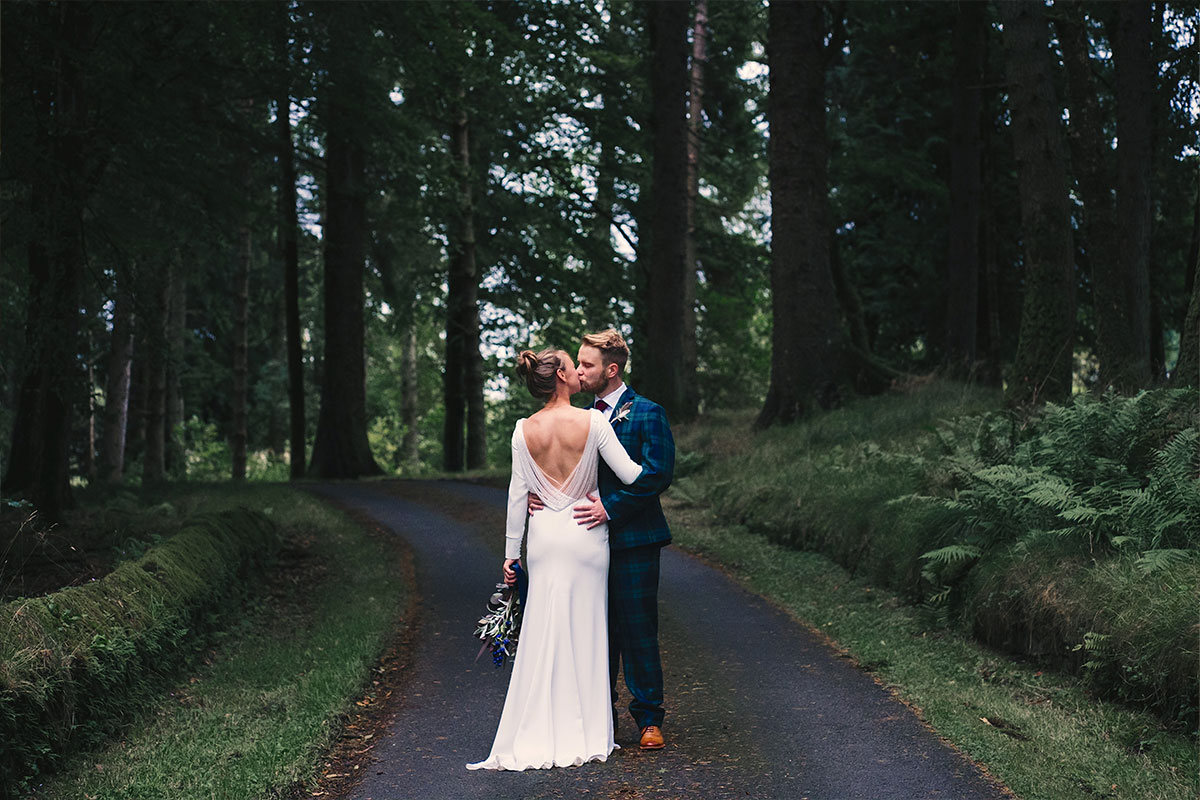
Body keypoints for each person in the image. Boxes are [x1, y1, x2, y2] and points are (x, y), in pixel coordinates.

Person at [467, 348, 643, 771]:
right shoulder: (594, 421)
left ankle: (535, 728)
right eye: (573, 363)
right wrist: (607, 498)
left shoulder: (523, 429)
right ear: (562, 375)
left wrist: (511, 556)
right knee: (586, 629)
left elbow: (515, 497)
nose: (580, 371)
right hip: (586, 533)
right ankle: (586, 731)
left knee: (543, 629)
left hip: (543, 537)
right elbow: (632, 475)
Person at [535, 329, 675, 751]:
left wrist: (609, 507)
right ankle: (600, 718)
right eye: (577, 363)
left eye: (587, 365)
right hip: (585, 542)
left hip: (634, 538)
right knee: (595, 629)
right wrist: (536, 497)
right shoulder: (579, 416)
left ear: (611, 370)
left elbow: (657, 474)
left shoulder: (648, 413)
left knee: (637, 629)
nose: (578, 371)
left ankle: (649, 718)